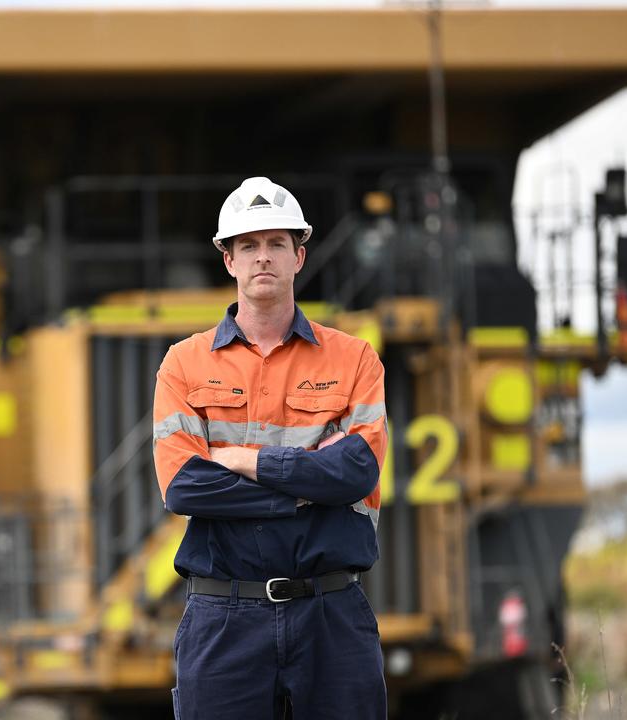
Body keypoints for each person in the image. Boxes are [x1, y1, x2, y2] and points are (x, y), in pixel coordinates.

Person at [153, 177, 388, 719]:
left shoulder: (354, 360)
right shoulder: (184, 365)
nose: (264, 258)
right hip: (223, 619)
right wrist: (307, 487)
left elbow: (356, 471)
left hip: (331, 614)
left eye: (276, 244)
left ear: (299, 256)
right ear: (228, 261)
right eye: (249, 246)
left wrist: (247, 460)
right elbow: (184, 486)